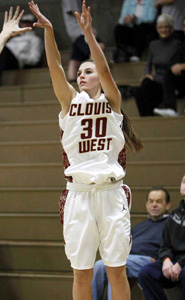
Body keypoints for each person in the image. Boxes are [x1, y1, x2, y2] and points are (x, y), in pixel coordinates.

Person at [28, 1, 143, 299]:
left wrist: (88, 36)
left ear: (99, 79)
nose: (82, 75)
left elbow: (104, 68)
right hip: (78, 194)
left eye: (87, 71)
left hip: (110, 192)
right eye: (79, 71)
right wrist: (50, 31)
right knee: (82, 273)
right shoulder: (69, 102)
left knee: (117, 269)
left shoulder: (112, 101)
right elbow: (54, 67)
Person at [92, 187, 171, 300]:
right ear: (146, 204)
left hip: (150, 260)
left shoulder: (171, 224)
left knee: (115, 266)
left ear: (168, 205)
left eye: (159, 201)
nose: (154, 205)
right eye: (151, 201)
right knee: (99, 265)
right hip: (128, 258)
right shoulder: (140, 226)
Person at [138, 175, 185, 300]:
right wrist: (166, 260)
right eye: (184, 182)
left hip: (182, 264)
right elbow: (165, 244)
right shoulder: (175, 215)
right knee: (146, 273)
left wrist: (180, 264)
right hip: (172, 262)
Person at [134, 13, 183, 116]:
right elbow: (148, 63)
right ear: (157, 29)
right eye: (161, 27)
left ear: (172, 29)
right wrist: (147, 74)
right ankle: (147, 117)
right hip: (157, 80)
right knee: (142, 87)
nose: (163, 30)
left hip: (171, 81)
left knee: (164, 78)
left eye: (166, 27)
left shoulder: (177, 44)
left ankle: (169, 108)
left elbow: (175, 65)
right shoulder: (153, 45)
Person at [61, 0, 105, 81]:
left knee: (75, 59)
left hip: (76, 31)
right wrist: (88, 27)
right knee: (99, 46)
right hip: (80, 31)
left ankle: (72, 80)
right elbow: (75, 12)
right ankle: (92, 73)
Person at [154, 16, 185, 117]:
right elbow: (175, 62)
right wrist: (175, 66)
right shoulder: (181, 44)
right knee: (169, 73)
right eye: (184, 26)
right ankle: (171, 108)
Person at [0, 11, 43, 83]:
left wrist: (20, 56)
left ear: (34, 24)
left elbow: (34, 59)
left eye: (29, 22)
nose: (26, 25)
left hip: (16, 62)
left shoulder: (35, 40)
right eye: (24, 22)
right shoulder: (14, 39)